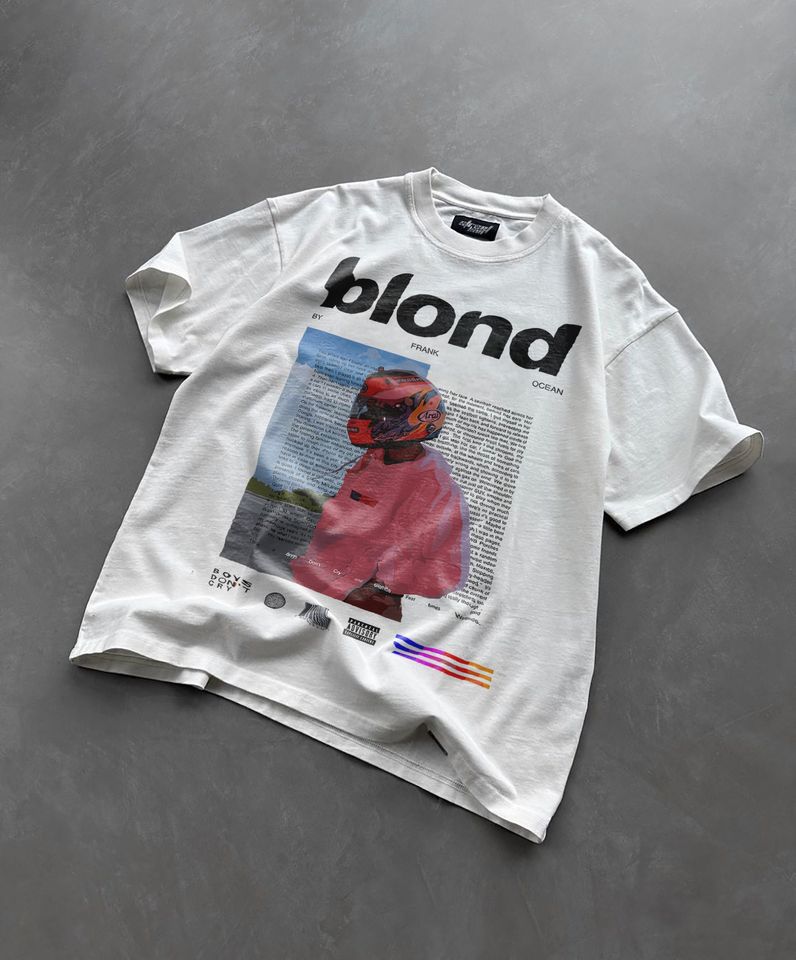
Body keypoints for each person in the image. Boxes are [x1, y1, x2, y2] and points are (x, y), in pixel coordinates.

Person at [290, 368, 470, 621]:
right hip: (317, 583)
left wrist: (374, 588)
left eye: (376, 412)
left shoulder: (434, 488)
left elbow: (447, 571)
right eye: (366, 408)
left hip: (359, 602)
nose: (365, 416)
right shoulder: (372, 461)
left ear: (413, 419)